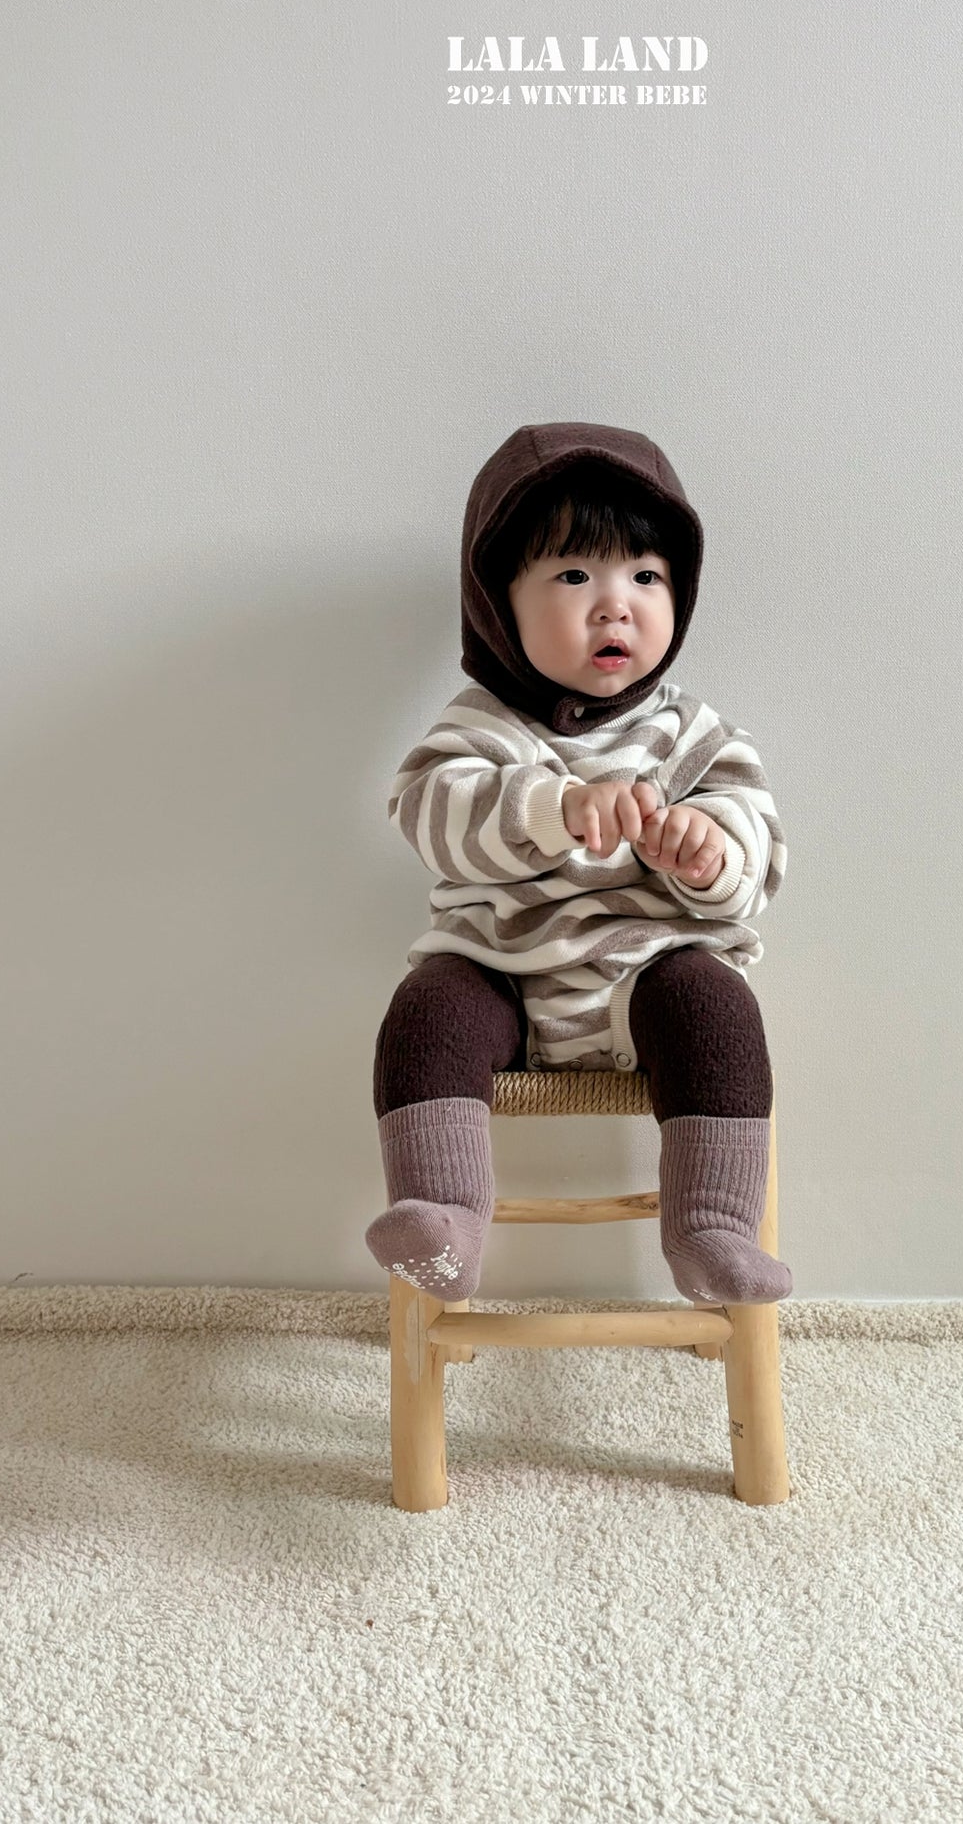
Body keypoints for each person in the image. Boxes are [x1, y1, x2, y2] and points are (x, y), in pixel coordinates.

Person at [366, 420, 792, 1307]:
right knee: (427, 1007)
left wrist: (708, 848)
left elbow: (757, 852)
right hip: (503, 982)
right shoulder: (482, 726)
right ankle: (443, 1217)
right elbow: (429, 813)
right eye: (573, 575)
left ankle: (710, 1225)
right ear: (497, 602)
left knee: (715, 1006)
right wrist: (551, 805)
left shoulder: (693, 734)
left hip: (648, 979)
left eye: (645, 576)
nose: (615, 604)